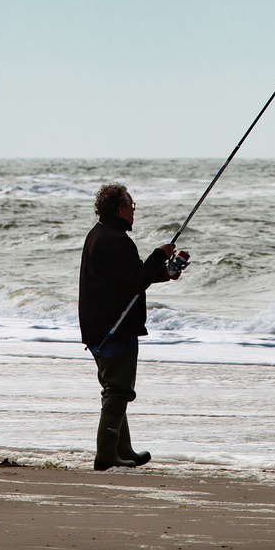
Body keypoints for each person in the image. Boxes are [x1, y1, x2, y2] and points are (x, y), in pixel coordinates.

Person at [78, 183, 188, 471]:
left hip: (101, 326)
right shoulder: (114, 239)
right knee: (118, 389)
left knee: (116, 388)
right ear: (119, 208)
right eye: (131, 205)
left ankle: (121, 448)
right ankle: (106, 454)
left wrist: (165, 272)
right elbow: (138, 279)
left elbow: (130, 278)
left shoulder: (102, 235)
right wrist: (159, 254)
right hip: (113, 327)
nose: (134, 210)